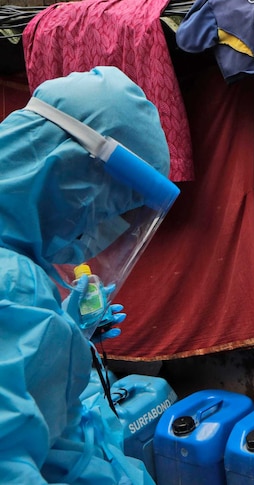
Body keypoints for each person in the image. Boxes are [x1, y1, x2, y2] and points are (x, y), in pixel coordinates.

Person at [0, 67, 178, 484]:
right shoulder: (12, 284)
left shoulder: (20, 263)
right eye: (101, 210)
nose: (96, 232)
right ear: (65, 168)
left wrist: (65, 334)